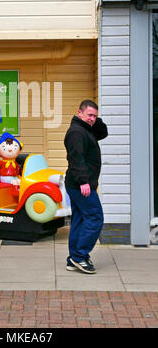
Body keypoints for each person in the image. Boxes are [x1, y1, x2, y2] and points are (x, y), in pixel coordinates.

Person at [64, 100, 108, 274]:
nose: (92, 119)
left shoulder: (86, 129)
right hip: (81, 184)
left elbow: (103, 133)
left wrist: (96, 120)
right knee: (95, 218)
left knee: (80, 219)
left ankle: (73, 258)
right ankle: (80, 256)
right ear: (79, 113)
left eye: (94, 116)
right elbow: (76, 159)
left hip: (80, 184)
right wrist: (83, 181)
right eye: (89, 115)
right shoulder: (76, 132)